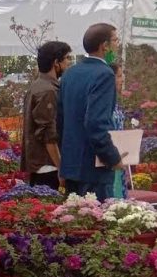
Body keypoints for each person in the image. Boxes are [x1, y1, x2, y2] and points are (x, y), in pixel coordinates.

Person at [57, 22, 124, 200]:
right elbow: (96, 123)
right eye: (116, 41)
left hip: (72, 167)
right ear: (104, 46)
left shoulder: (70, 73)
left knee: (75, 222)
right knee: (96, 223)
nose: (118, 46)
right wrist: (112, 157)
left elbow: (60, 122)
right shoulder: (104, 74)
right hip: (94, 170)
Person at [21, 40, 71, 189]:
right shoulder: (48, 90)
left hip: (42, 164)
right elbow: (48, 134)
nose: (69, 63)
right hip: (48, 166)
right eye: (67, 58)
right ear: (56, 62)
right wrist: (61, 167)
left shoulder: (37, 85)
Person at [111, 63, 130, 199]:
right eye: (118, 76)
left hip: (121, 156)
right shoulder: (104, 102)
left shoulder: (115, 101)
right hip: (109, 157)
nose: (122, 79)